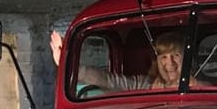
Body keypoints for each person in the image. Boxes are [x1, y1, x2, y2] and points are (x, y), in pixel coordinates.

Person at [50, 30, 192, 91]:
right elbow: (109, 80)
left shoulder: (201, 85)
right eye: (164, 57)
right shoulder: (145, 84)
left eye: (176, 55)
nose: (170, 63)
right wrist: (68, 65)